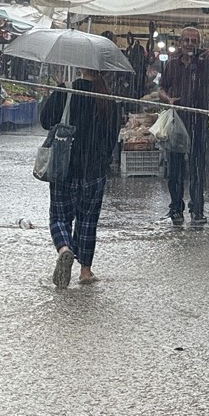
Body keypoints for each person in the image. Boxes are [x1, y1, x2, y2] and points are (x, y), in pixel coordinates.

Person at [39, 68, 120, 288]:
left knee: (59, 217)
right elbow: (113, 137)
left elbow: (45, 121)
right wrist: (102, 162)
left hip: (65, 169)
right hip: (93, 172)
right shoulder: (108, 99)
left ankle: (64, 248)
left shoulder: (67, 91)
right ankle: (85, 271)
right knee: (87, 221)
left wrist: (57, 91)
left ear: (80, 68)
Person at [158, 26, 209, 225]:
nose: (189, 44)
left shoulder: (205, 63)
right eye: (186, 40)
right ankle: (176, 208)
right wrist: (168, 99)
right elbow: (162, 87)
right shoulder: (171, 64)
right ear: (179, 43)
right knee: (175, 168)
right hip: (177, 122)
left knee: (197, 168)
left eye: (193, 41)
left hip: (198, 122)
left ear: (198, 43)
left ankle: (197, 209)